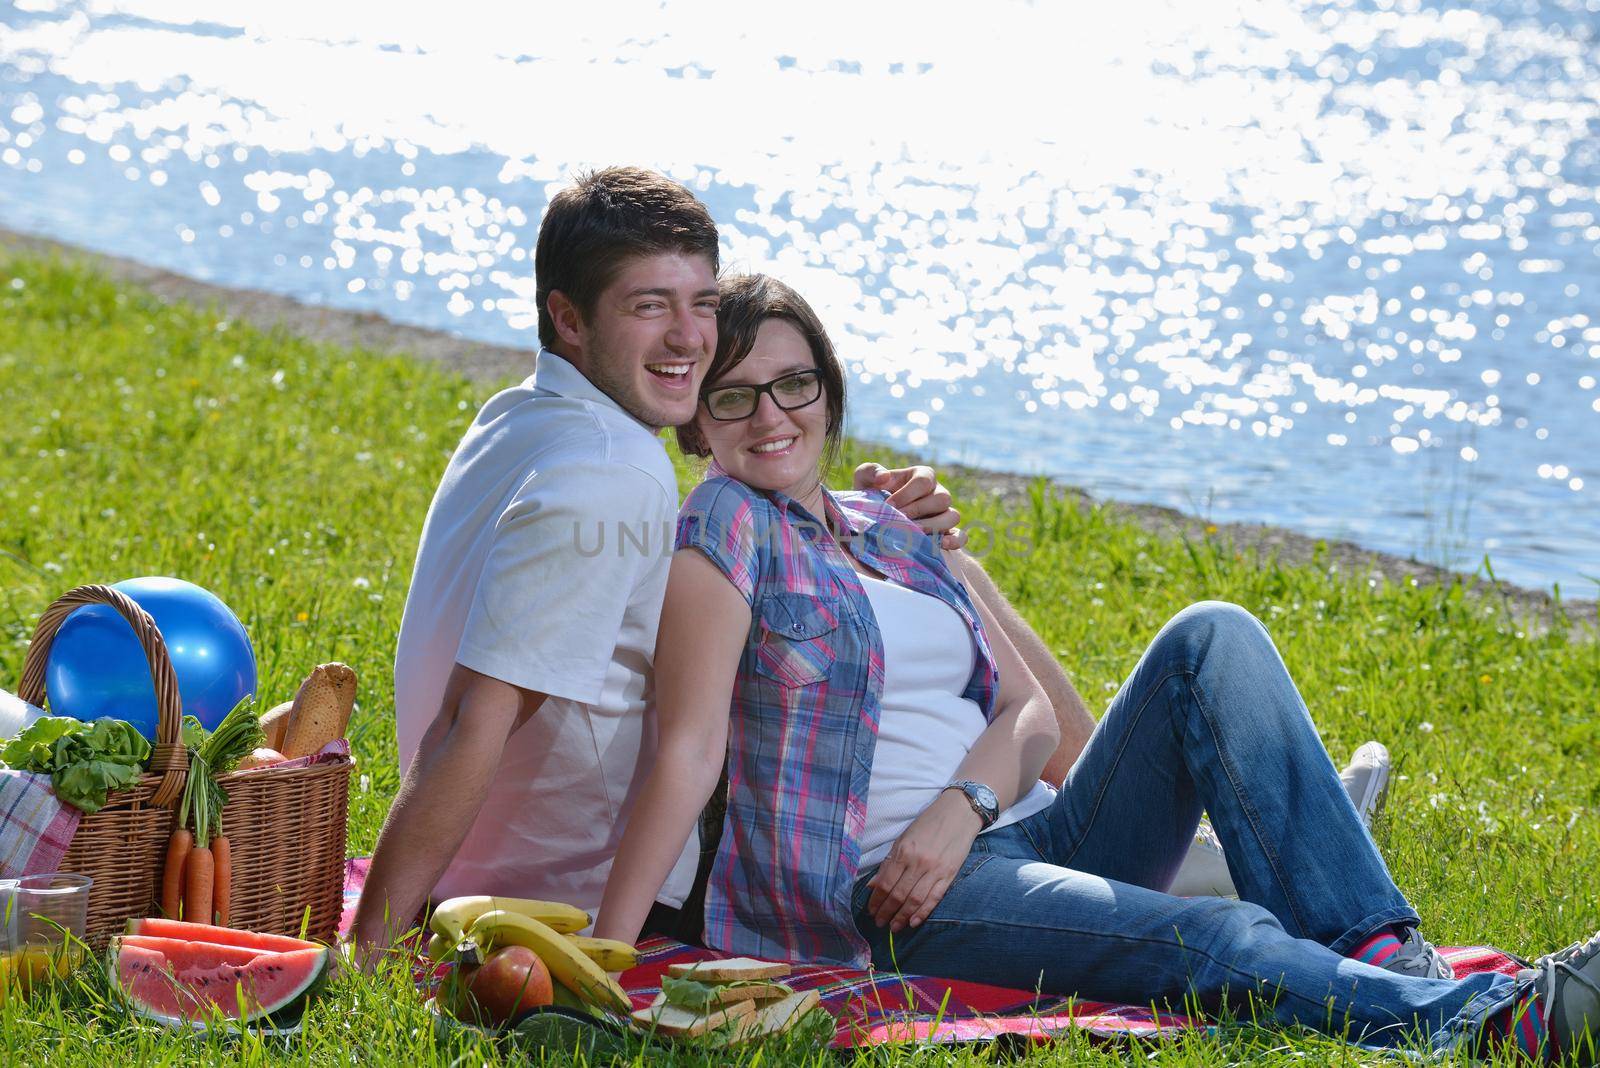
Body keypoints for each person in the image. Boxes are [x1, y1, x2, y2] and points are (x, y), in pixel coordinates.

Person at [594, 273, 1600, 1062]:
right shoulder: (724, 525)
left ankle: (1386, 957)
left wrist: (959, 793)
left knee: (1212, 633)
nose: (771, 415)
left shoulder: (888, 530)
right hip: (900, 901)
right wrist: (603, 959)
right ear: (698, 421)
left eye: (794, 383)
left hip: (1019, 835)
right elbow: (684, 754)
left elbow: (1040, 722)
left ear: (828, 388)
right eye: (735, 396)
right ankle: (1482, 1025)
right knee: (1226, 938)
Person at [349, 169, 961, 956]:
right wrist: (367, 952)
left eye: (701, 303)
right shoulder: (614, 471)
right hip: (591, 898)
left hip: (492, 872)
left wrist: (869, 519)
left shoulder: (519, 417)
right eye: (649, 306)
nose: (689, 338)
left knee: (928, 587)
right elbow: (471, 721)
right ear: (567, 319)